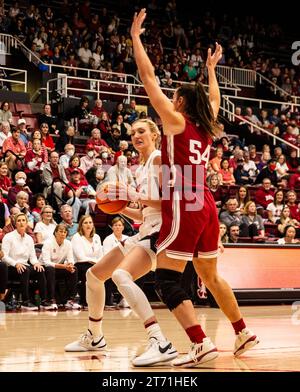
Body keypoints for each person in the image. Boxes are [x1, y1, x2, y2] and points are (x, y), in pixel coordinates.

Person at [129, 9, 259, 367]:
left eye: (174, 97)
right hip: (206, 203)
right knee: (209, 274)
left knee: (166, 280)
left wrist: (136, 39)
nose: (169, 100)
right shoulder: (207, 125)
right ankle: (242, 331)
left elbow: (148, 77)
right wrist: (212, 71)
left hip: (183, 201)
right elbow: (214, 98)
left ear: (181, 102)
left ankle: (200, 342)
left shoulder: (175, 122)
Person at [65, 118, 177, 365]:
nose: (136, 135)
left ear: (154, 135)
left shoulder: (159, 159)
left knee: (121, 276)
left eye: (141, 131)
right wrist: (122, 206)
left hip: (161, 232)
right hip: (145, 228)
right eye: (133, 132)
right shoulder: (141, 166)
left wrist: (136, 196)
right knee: (94, 276)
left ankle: (160, 341)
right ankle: (95, 337)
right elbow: (144, 212)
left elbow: (171, 203)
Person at [2, 213, 51, 310]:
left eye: (23, 220)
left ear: (26, 223)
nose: (21, 223)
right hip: (11, 267)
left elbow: (32, 258)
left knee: (40, 270)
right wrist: (16, 264)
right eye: (19, 221)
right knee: (26, 270)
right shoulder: (8, 237)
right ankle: (25, 301)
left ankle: (44, 300)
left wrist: (36, 263)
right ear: (15, 224)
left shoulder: (29, 239)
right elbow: (4, 257)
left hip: (24, 266)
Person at [71, 215, 103, 307]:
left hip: (95, 264)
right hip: (80, 265)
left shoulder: (97, 237)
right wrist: (95, 262)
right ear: (81, 225)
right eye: (85, 223)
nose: (88, 225)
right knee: (88, 271)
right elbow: (80, 257)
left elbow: (101, 255)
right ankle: (85, 301)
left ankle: (104, 300)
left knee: (106, 270)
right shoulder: (77, 237)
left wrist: (97, 263)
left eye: (90, 222)